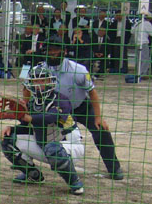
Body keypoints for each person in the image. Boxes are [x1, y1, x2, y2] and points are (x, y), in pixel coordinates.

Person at [35, 35, 124, 180]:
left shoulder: (78, 69)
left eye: (55, 49)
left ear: (64, 51)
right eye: (49, 50)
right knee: (35, 130)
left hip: (81, 106)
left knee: (101, 131)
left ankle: (114, 167)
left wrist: (98, 117)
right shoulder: (39, 69)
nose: (52, 53)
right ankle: (29, 170)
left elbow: (92, 93)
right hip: (56, 110)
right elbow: (27, 88)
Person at [0, 63, 84, 195]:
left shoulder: (61, 99)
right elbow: (29, 127)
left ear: (50, 81)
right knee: (7, 138)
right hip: (45, 145)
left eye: (43, 80)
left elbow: (51, 117)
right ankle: (33, 175)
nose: (39, 85)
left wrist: (29, 118)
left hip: (70, 146)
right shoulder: (32, 103)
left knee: (53, 148)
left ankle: (74, 181)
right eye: (35, 81)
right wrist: (11, 129)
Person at [131, 13, 152, 81]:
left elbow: (132, 31)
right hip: (144, 42)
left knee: (138, 59)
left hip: (137, 43)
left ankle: (138, 72)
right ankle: (143, 74)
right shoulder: (147, 23)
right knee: (145, 59)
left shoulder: (137, 23)